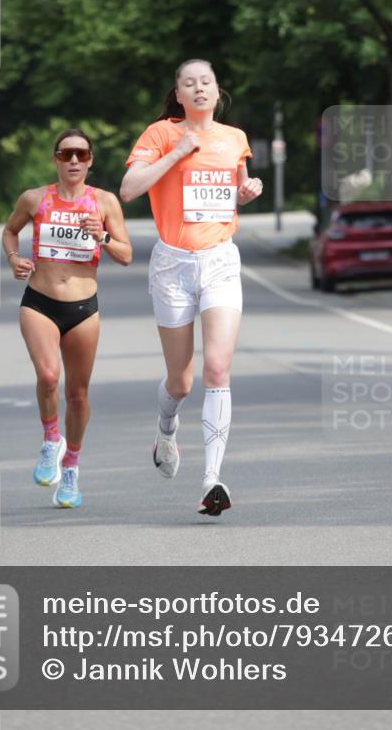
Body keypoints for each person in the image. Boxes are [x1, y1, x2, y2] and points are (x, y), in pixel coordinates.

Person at [120, 59, 262, 516]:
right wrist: (178, 151)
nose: (199, 89)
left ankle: (212, 480)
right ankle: (166, 427)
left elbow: (236, 187)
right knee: (181, 381)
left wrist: (247, 190)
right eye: (189, 83)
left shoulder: (235, 139)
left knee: (217, 369)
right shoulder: (161, 133)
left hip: (220, 259)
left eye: (206, 82)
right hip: (173, 264)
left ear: (218, 92)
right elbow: (128, 189)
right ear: (178, 94)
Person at [3, 128, 132, 508]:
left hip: (83, 309)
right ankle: (50, 440)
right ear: (55, 159)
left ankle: (71, 469)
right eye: (65, 154)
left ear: (90, 160)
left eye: (80, 154)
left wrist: (103, 238)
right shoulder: (35, 198)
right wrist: (14, 258)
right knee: (48, 377)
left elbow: (126, 255)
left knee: (77, 394)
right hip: (39, 301)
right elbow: (10, 232)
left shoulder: (104, 203)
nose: (73, 161)